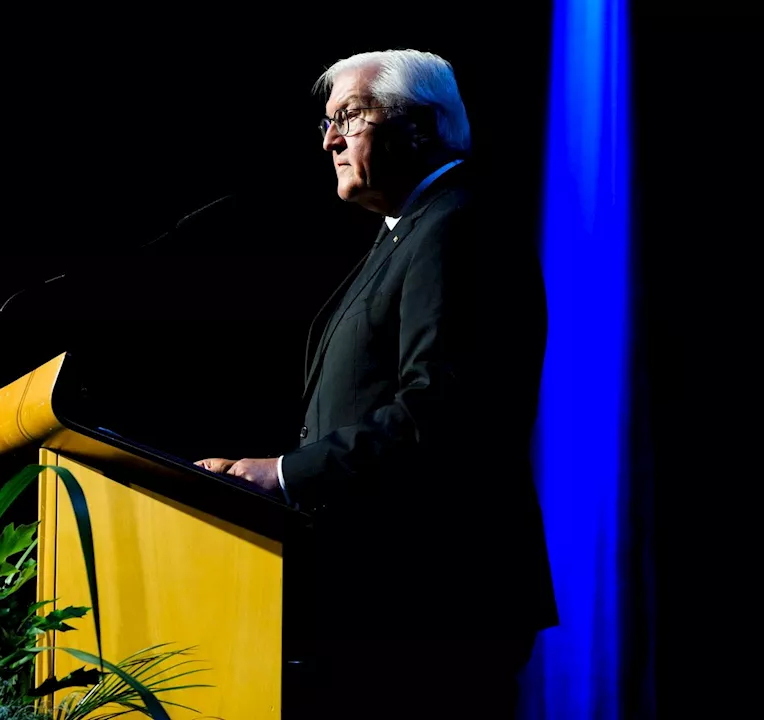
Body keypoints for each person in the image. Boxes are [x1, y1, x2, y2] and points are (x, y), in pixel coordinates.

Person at [196, 49, 557, 718]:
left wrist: (284, 474)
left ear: (418, 127)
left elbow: (441, 411)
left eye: (350, 117)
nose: (330, 139)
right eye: (328, 123)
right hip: (384, 593)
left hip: (435, 599)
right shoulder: (410, 232)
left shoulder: (457, 227)